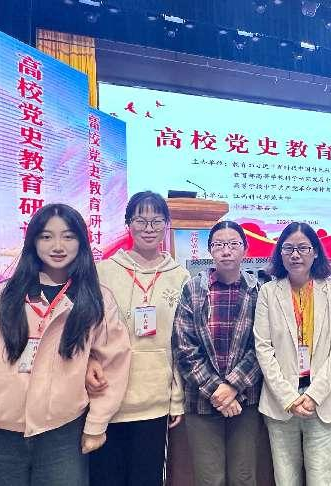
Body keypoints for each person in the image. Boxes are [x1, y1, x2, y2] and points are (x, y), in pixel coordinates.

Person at [0, 203, 131, 486]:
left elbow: (115, 362)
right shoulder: (2, 298)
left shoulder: (96, 300)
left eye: (68, 236)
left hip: (63, 435)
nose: (58, 246)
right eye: (46, 236)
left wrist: (97, 422)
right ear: (33, 242)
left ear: (81, 242)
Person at [85, 191, 191, 486]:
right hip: (108, 398)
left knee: (147, 478)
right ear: (128, 224)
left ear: (166, 225)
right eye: (141, 221)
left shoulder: (180, 277)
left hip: (154, 400)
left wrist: (177, 398)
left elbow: (181, 343)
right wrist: (89, 361)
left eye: (156, 221)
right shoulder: (104, 272)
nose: (148, 228)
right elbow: (86, 329)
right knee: (106, 478)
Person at [253, 222, 331, 486]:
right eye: (288, 248)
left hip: (323, 400)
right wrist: (288, 397)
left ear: (315, 252)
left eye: (303, 248)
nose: (295, 255)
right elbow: (263, 348)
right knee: (285, 480)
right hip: (281, 401)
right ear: (280, 253)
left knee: (321, 479)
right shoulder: (268, 292)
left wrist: (314, 395)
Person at [172, 220, 264, 486]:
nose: (226, 251)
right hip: (202, 401)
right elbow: (184, 347)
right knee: (209, 479)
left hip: (245, 401)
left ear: (245, 249)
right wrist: (218, 391)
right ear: (210, 249)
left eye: (233, 244)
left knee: (243, 477)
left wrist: (233, 386)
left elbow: (262, 345)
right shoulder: (193, 289)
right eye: (219, 244)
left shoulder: (258, 291)